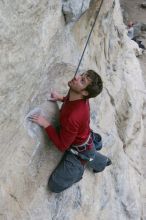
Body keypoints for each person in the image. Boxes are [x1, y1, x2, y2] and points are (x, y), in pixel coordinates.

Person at [30, 70, 111, 193]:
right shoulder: (77, 94)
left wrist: (46, 124)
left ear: (84, 92)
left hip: (79, 149)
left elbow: (62, 146)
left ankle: (79, 171)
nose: (76, 77)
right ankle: (102, 161)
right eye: (81, 75)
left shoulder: (73, 117)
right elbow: (71, 100)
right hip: (84, 141)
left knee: (55, 185)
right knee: (89, 151)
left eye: (82, 80)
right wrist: (61, 98)